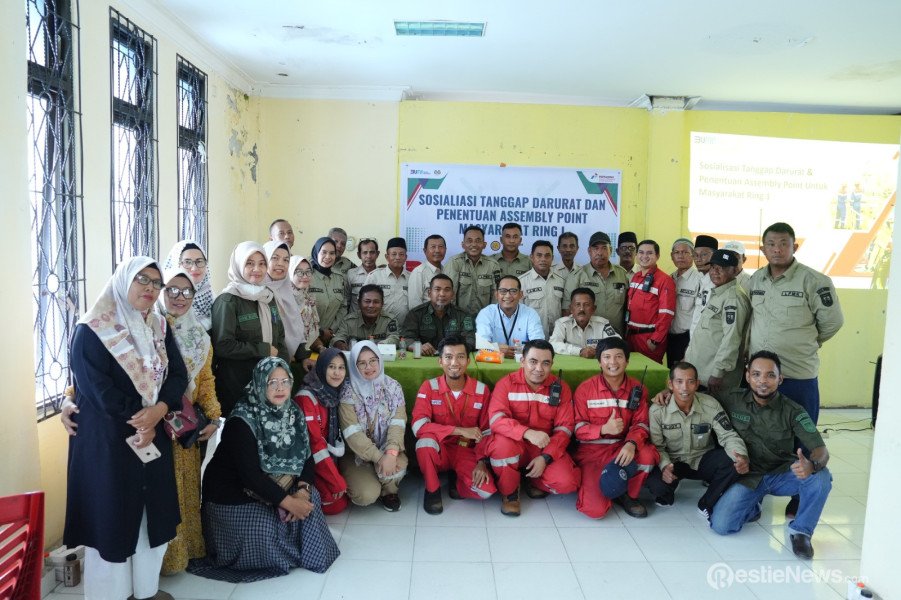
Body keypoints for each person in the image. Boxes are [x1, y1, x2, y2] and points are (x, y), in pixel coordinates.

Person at [64, 256, 188, 600]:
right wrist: (142, 418)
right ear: (123, 281)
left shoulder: (159, 326)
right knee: (111, 521)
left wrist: (159, 410)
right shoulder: (92, 329)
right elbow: (96, 389)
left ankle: (145, 592)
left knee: (151, 519)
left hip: (152, 435)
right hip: (108, 441)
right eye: (141, 280)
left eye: (155, 283)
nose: (149, 289)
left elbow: (178, 375)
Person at [189, 357, 339, 581]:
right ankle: (284, 549)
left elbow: (306, 455)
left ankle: (294, 546)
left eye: (285, 381)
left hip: (277, 485)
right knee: (262, 528)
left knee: (311, 498)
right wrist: (288, 503)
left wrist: (302, 491)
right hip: (234, 495)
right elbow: (249, 476)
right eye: (272, 382)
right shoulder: (242, 419)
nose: (280, 388)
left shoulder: (293, 412)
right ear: (260, 383)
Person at [709, 351, 833, 559]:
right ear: (748, 377)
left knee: (821, 478)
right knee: (721, 526)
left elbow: (822, 451)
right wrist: (667, 394)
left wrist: (812, 465)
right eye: (756, 374)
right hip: (748, 477)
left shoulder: (793, 410)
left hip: (782, 473)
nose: (762, 381)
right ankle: (753, 506)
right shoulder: (732, 398)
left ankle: (801, 532)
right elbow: (696, 399)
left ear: (780, 379)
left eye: (770, 375)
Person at [158, 268, 222, 575]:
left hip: (183, 427)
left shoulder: (200, 336)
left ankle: (183, 554)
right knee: (161, 493)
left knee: (186, 490)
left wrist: (213, 416)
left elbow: (205, 381)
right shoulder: (146, 329)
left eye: (186, 292)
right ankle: (156, 563)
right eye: (171, 289)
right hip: (151, 427)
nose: (179, 297)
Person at [748, 222, 844, 427]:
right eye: (771, 244)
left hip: (797, 374)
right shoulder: (756, 280)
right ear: (762, 249)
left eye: (784, 244)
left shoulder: (814, 281)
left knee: (802, 435)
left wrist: (811, 341)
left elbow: (833, 322)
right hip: (762, 379)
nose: (777, 249)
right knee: (764, 434)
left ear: (795, 247)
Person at [484, 340, 581, 516]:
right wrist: (526, 432)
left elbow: (565, 429)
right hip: (514, 443)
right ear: (522, 361)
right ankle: (510, 493)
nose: (539, 369)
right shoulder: (506, 384)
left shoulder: (561, 388)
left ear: (552, 364)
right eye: (533, 361)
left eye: (546, 363)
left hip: (544, 446)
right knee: (501, 447)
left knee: (568, 482)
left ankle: (533, 481)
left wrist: (546, 457)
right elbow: (497, 420)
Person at [646, 362, 748, 522]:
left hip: (702, 460)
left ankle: (707, 502)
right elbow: (657, 446)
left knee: (732, 461)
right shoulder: (658, 410)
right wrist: (665, 466)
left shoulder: (710, 405)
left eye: (690, 381)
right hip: (674, 463)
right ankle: (670, 487)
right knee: (657, 486)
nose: (685, 387)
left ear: (697, 384)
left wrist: (741, 456)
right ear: (670, 384)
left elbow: (728, 436)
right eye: (679, 381)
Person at [572, 337, 657, 519]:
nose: (613, 362)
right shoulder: (584, 390)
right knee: (595, 511)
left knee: (648, 456)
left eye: (618, 357)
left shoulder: (637, 388)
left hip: (622, 448)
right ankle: (605, 486)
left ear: (627, 361)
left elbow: (641, 424)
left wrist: (631, 443)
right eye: (607, 357)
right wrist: (602, 429)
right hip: (592, 453)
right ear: (599, 362)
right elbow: (578, 429)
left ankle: (628, 494)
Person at [412, 335, 497, 514]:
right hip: (440, 449)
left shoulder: (481, 390)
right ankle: (432, 489)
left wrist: (482, 461)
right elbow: (418, 426)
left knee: (485, 492)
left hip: (467, 451)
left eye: (460, 357)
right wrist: (457, 430)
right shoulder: (429, 387)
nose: (454, 362)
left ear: (468, 361)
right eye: (448, 357)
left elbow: (488, 430)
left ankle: (458, 483)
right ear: (440, 361)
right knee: (424, 443)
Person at [211, 241, 289, 417]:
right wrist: (262, 350)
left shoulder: (268, 296)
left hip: (269, 383)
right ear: (238, 265)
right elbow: (223, 345)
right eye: (250, 263)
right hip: (238, 387)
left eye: (262, 263)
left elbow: (280, 338)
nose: (257, 269)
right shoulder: (228, 301)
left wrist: (283, 371)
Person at [338, 340, 408, 511]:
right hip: (356, 454)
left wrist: (390, 454)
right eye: (361, 363)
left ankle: (388, 490)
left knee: (396, 467)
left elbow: (398, 424)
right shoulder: (347, 392)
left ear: (380, 361)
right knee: (366, 495)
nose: (368, 367)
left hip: (386, 448)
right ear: (354, 366)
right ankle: (374, 480)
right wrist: (379, 458)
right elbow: (352, 433)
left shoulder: (393, 387)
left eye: (373, 360)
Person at [683, 250, 751, 397]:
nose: (715, 272)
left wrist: (718, 372)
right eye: (713, 267)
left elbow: (731, 339)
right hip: (701, 372)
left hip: (714, 378)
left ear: (735, 270)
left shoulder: (733, 298)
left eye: (722, 268)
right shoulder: (719, 293)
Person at [294, 349, 351, 515]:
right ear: (321, 368)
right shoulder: (306, 398)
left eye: (341, 368)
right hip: (307, 462)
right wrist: (335, 480)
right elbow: (314, 446)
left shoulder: (334, 393)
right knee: (334, 504)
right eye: (331, 367)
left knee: (351, 492)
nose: (337, 373)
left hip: (328, 456)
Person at [563, 232, 629, 336]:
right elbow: (567, 311)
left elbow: (628, 307)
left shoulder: (622, 275)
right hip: (586, 337)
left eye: (604, 248)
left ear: (610, 250)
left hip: (616, 337)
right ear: (589, 251)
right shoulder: (577, 276)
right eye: (595, 248)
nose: (600, 253)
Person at [263, 241, 313, 379]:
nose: (281, 263)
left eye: (286, 260)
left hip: (284, 364)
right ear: (265, 259)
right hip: (258, 364)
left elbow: (295, 328)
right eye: (275, 257)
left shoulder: (287, 292)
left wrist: (302, 357)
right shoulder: (255, 292)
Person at [625, 239, 675, 363]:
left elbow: (666, 314)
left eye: (649, 253)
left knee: (648, 378)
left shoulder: (664, 280)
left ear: (657, 256)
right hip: (630, 337)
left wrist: (654, 341)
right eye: (641, 252)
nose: (644, 256)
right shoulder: (636, 276)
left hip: (648, 339)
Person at [401, 274, 475, 355]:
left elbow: (470, 340)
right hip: (424, 361)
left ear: (452, 294)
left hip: (453, 359)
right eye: (437, 289)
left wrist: (453, 349)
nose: (442, 294)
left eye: (447, 290)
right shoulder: (415, 314)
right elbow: (406, 338)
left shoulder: (463, 316)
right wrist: (418, 347)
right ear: (429, 293)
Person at [475, 275, 545, 357]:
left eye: (513, 291)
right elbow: (481, 344)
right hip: (493, 362)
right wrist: (497, 348)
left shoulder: (530, 314)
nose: (508, 296)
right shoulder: (486, 313)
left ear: (520, 294)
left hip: (523, 363)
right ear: (496, 294)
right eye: (503, 291)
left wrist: (518, 350)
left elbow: (539, 344)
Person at [443, 225, 501, 316]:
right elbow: (449, 294)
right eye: (469, 241)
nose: (474, 244)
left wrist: (491, 318)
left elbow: (496, 296)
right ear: (463, 244)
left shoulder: (493, 265)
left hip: (485, 319)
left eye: (478, 241)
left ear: (484, 245)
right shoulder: (454, 262)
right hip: (459, 318)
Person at [549, 288, 620, 357]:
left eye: (586, 304)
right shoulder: (562, 324)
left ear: (593, 309)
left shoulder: (602, 324)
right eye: (577, 304)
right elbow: (554, 344)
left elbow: (617, 342)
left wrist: (597, 350)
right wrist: (580, 351)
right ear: (571, 308)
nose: (582, 309)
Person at [163, 240, 215, 331]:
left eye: (199, 261)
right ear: (176, 265)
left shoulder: (212, 298)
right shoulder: (167, 300)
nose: (194, 268)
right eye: (187, 262)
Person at [308, 236, 349, 347]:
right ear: (316, 253)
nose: (328, 257)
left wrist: (331, 330)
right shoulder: (307, 276)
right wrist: (320, 332)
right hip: (308, 338)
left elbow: (343, 306)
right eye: (324, 252)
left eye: (332, 253)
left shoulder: (340, 278)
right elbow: (301, 309)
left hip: (332, 337)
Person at [330, 285, 400, 349]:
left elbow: (395, 338)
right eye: (367, 301)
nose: (371, 305)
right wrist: (340, 344)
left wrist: (381, 345)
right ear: (359, 303)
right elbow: (337, 338)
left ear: (382, 304)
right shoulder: (349, 321)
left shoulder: (389, 320)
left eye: (376, 302)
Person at [519, 240, 566, 337]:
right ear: (531, 257)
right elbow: (518, 313)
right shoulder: (521, 282)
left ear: (552, 258)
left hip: (557, 337)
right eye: (539, 255)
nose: (543, 259)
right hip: (532, 336)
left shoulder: (561, 281)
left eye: (547, 256)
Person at [667, 237, 701, 367]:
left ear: (693, 255)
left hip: (687, 338)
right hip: (669, 338)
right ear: (671, 256)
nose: (680, 256)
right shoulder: (669, 279)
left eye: (685, 252)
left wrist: (691, 345)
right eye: (677, 252)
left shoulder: (699, 280)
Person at [365, 236, 411, 326]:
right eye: (393, 254)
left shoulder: (412, 278)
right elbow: (364, 302)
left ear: (406, 257)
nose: (397, 257)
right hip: (378, 329)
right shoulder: (374, 276)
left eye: (401, 254)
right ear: (387, 256)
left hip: (404, 329)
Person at [289, 255, 324, 354]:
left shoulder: (307, 298)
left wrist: (320, 347)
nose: (305, 276)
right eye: (299, 272)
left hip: (305, 354)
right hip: (289, 356)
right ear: (290, 272)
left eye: (308, 271)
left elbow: (310, 332)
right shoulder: (285, 300)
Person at [407, 234, 446, 311]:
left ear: (445, 250)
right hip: (426, 320)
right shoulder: (418, 273)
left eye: (441, 247)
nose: (437, 250)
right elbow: (415, 306)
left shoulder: (447, 271)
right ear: (425, 251)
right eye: (433, 247)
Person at [690, 234, 718, 336]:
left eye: (703, 255)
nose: (698, 260)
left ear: (714, 255)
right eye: (696, 255)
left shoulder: (717, 283)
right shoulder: (700, 279)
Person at [347, 237, 380, 313]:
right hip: (354, 321)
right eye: (365, 253)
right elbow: (346, 301)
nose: (368, 256)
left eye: (372, 252)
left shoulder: (383, 275)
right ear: (359, 255)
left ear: (377, 254)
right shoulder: (351, 274)